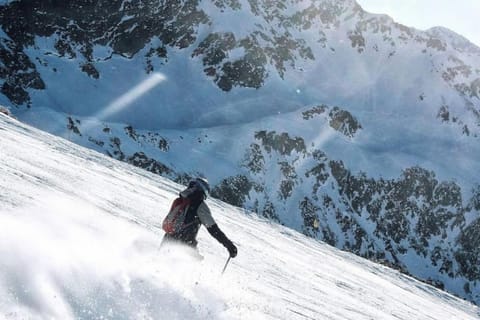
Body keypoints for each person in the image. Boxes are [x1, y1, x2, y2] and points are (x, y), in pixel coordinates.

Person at [161, 177, 237, 259]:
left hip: (167, 240)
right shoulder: (199, 205)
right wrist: (229, 245)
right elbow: (213, 229)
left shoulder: (181, 200)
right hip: (183, 245)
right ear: (204, 191)